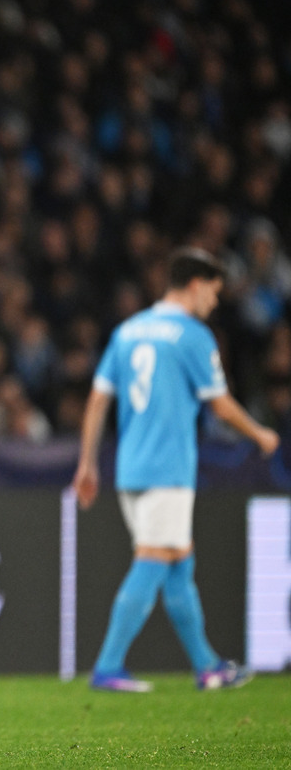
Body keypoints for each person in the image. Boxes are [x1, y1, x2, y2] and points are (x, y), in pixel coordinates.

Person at [73, 246, 280, 692]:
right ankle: (108, 667)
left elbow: (97, 399)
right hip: (167, 468)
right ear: (194, 285)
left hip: (130, 468)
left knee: (178, 562)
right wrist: (259, 433)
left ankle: (206, 666)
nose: (215, 301)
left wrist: (88, 463)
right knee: (153, 560)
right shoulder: (192, 336)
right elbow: (220, 404)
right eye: (213, 290)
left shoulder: (128, 332)